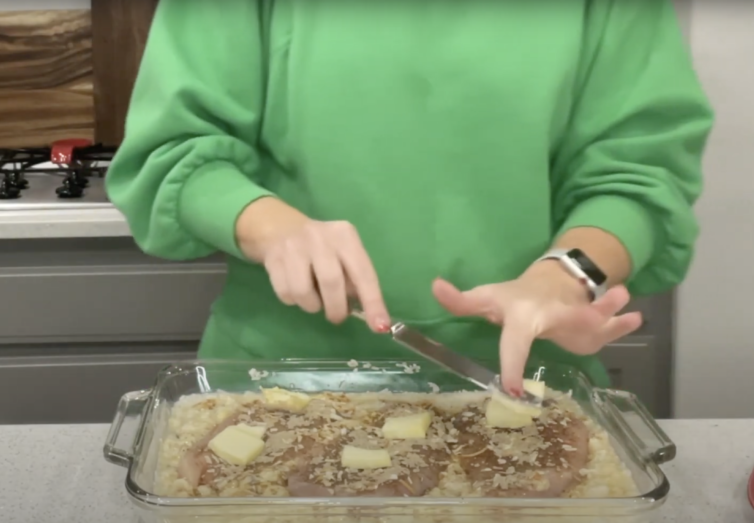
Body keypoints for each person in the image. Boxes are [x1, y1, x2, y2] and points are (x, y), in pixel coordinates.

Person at [106, 0, 713, 397]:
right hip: (279, 379)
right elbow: (177, 152)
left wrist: (565, 277)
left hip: (525, 384)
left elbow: (638, 174)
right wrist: (271, 227)